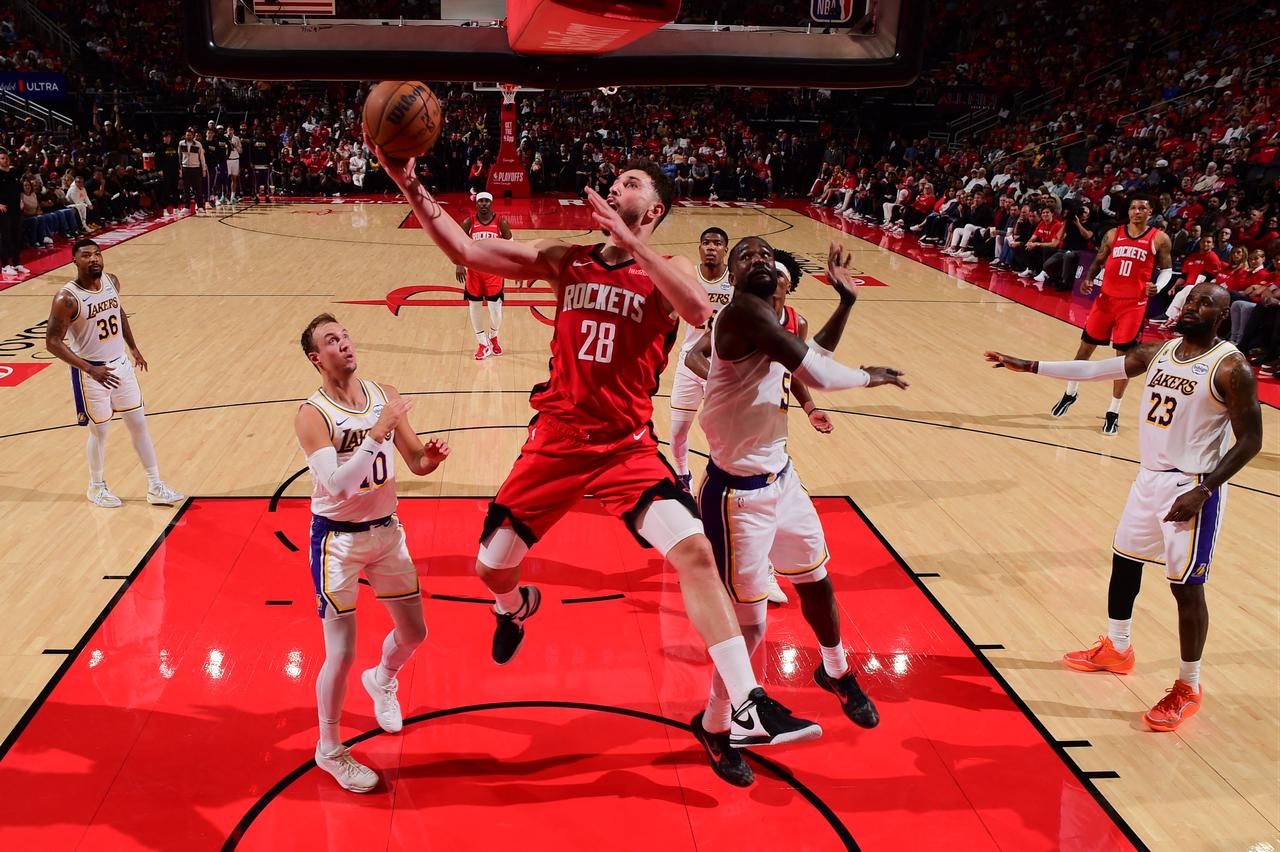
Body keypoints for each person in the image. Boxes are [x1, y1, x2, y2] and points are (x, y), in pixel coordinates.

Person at [383, 148, 823, 759]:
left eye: (631, 183)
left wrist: (632, 243)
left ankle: (747, 703)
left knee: (695, 553)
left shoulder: (667, 268)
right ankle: (514, 609)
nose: (615, 188)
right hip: (558, 440)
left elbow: (698, 311)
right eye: (614, 182)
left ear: (655, 209)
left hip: (626, 447)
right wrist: (409, 183)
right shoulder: (567, 260)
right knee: (489, 569)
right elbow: (466, 251)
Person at [985, 282, 1262, 732]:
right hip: (1149, 478)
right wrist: (1031, 366)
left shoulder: (1232, 368)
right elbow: (1105, 368)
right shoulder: (1161, 351)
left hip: (1192, 485)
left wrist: (1205, 490)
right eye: (1190, 300)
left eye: (1205, 303)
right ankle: (1117, 648)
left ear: (1222, 316)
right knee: (1125, 560)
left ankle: (1188, 686)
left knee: (1186, 588)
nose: (1193, 306)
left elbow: (1252, 440)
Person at [688, 237, 908, 784]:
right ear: (733, 276)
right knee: (752, 625)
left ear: (783, 273)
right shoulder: (739, 313)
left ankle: (834, 671)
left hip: (783, 479)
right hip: (736, 495)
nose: (759, 260)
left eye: (767, 254)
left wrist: (846, 303)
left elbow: (812, 359)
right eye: (747, 256)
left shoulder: (780, 321)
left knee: (817, 581)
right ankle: (716, 724)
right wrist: (872, 376)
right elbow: (822, 375)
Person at [294, 313, 450, 792]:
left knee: (415, 631)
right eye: (331, 340)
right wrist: (378, 431)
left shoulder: (384, 394)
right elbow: (337, 486)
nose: (344, 343)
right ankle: (330, 750)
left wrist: (431, 458)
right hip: (337, 542)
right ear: (316, 358)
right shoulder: (313, 414)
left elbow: (416, 461)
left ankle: (382, 679)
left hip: (387, 534)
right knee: (339, 653)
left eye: (345, 334)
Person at [686, 248, 834, 607]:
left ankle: (762, 566)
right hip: (734, 437)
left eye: (780, 273)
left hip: (770, 436)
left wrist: (811, 407)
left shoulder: (796, 321)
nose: (775, 277)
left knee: (772, 488)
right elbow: (694, 355)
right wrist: (721, 382)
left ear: (788, 284)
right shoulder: (737, 317)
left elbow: (796, 369)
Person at [43, 239, 184, 508]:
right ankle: (96, 487)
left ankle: (155, 485)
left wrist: (134, 348)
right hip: (91, 371)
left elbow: (118, 312)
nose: (94, 259)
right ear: (75, 261)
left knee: (139, 425)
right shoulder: (67, 298)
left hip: (120, 365)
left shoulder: (112, 282)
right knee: (100, 432)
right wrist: (89, 369)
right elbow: (52, 342)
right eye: (86, 255)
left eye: (97, 254)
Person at [1050, 196, 1173, 435]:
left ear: (1151, 212)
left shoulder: (1159, 238)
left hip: (1133, 305)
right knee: (1083, 350)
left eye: (1142, 208)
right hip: (1105, 301)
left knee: (1122, 362)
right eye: (1133, 207)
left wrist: (1159, 285)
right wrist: (1087, 279)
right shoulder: (1112, 234)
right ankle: (1070, 392)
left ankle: (1113, 411)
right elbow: (1098, 260)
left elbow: (1167, 269)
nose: (1136, 211)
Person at [668, 227, 731, 490]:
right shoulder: (688, 276)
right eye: (706, 242)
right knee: (677, 431)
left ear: (726, 250)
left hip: (726, 367)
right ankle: (683, 476)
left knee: (723, 434)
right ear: (699, 247)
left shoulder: (735, 279)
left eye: (717, 243)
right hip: (690, 362)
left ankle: (725, 478)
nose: (711, 247)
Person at [454, 192, 512, 360]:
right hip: (474, 272)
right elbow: (458, 245)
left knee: (495, 311)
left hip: (494, 272)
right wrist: (459, 264)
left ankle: (493, 336)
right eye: (481, 201)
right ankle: (482, 343)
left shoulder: (501, 222)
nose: (484, 204)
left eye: (487, 201)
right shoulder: (468, 222)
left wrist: (515, 269)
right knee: (474, 307)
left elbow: (512, 249)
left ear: (491, 203)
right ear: (476, 204)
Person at [177, 127, 208, 214]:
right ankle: (186, 207)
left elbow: (202, 157)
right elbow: (179, 157)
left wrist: (203, 169)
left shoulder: (198, 144)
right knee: (186, 189)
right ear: (185, 135)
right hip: (185, 168)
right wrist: (180, 169)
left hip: (196, 168)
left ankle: (200, 206)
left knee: (198, 188)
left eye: (190, 135)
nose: (188, 136)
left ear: (193, 136)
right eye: (187, 135)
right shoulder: (181, 144)